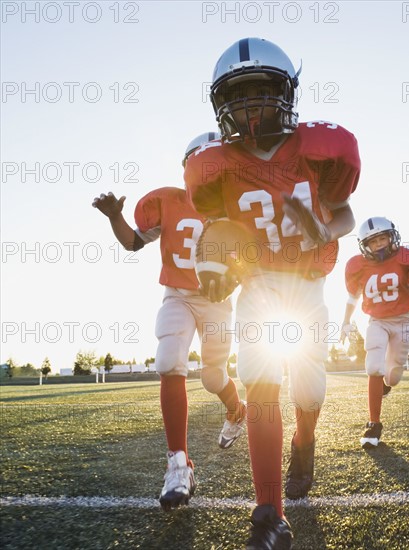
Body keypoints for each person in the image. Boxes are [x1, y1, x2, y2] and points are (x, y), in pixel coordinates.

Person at [185, 38, 360, 549]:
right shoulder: (212, 163)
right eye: (237, 96)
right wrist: (212, 262)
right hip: (258, 288)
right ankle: (269, 515)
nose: (249, 105)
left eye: (260, 91)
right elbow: (217, 227)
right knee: (261, 386)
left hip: (307, 286)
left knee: (309, 394)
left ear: (285, 94)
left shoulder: (319, 149)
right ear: (221, 106)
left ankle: (304, 441)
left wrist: (323, 232)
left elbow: (345, 212)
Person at [92, 132, 246, 511]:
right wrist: (116, 217)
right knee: (168, 360)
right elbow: (132, 242)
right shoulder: (169, 202)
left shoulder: (239, 207)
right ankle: (179, 465)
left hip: (216, 302)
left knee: (212, 376)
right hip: (177, 294)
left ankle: (236, 409)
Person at [340, 217, 409, 449]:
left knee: (393, 376)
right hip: (377, 321)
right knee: (373, 365)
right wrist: (345, 322)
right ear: (364, 246)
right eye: (373, 241)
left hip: (401, 321)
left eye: (383, 238)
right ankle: (374, 424)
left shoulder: (407, 259)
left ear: (392, 237)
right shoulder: (358, 266)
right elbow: (352, 299)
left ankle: (386, 385)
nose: (379, 244)